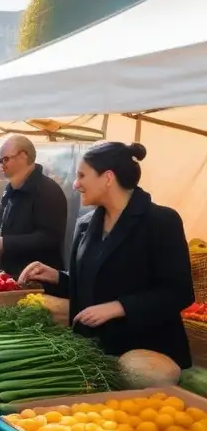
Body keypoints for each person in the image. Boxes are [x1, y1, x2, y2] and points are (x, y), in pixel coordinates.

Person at [20, 142, 194, 367]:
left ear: (108, 178)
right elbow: (93, 282)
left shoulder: (161, 221)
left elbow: (179, 292)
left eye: (82, 175)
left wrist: (120, 307)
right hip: (96, 357)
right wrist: (57, 277)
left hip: (147, 358)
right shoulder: (85, 225)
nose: (75, 184)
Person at [0, 135, 68, 279]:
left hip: (37, 281)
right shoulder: (10, 188)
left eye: (6, 159)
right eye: (0, 160)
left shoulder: (48, 190)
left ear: (24, 156)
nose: (1, 165)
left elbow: (50, 238)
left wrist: (4, 243)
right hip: (10, 274)